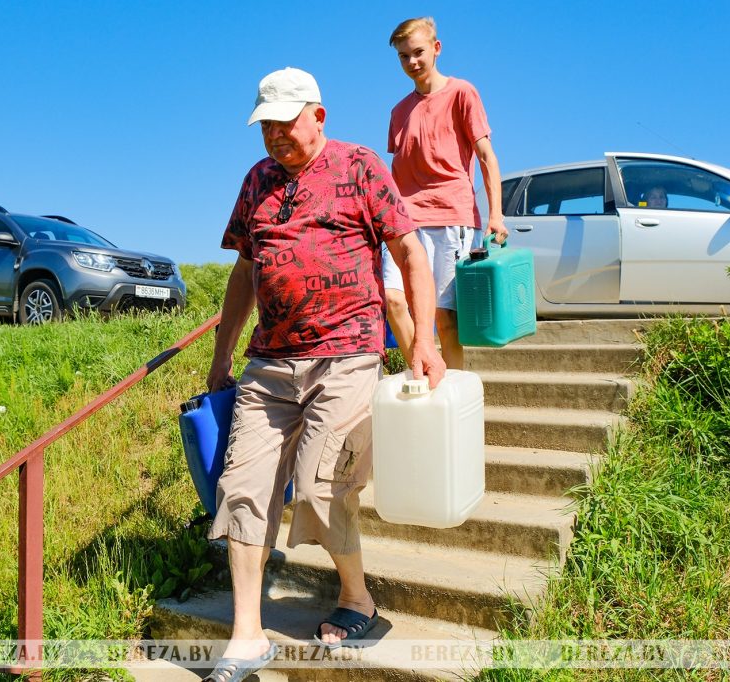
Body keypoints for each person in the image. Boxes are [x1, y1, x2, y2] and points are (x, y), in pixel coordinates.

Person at [202, 66, 444, 682]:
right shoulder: (256, 181)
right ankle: (248, 633)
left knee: (318, 486)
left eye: (287, 123)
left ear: (319, 116)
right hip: (268, 364)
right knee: (244, 490)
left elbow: (410, 253)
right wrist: (222, 352)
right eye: (267, 127)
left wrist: (425, 344)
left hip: (346, 354)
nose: (277, 136)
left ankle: (356, 596)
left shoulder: (361, 167)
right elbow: (243, 273)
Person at [382, 16, 509, 371]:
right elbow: (397, 172)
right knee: (394, 301)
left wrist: (495, 214)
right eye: (404, 56)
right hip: (404, 223)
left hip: (450, 216)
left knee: (442, 317)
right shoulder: (398, 112)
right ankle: (423, 377)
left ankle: (452, 398)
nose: (412, 62)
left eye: (418, 53)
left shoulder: (461, 93)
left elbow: (486, 156)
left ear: (436, 49)